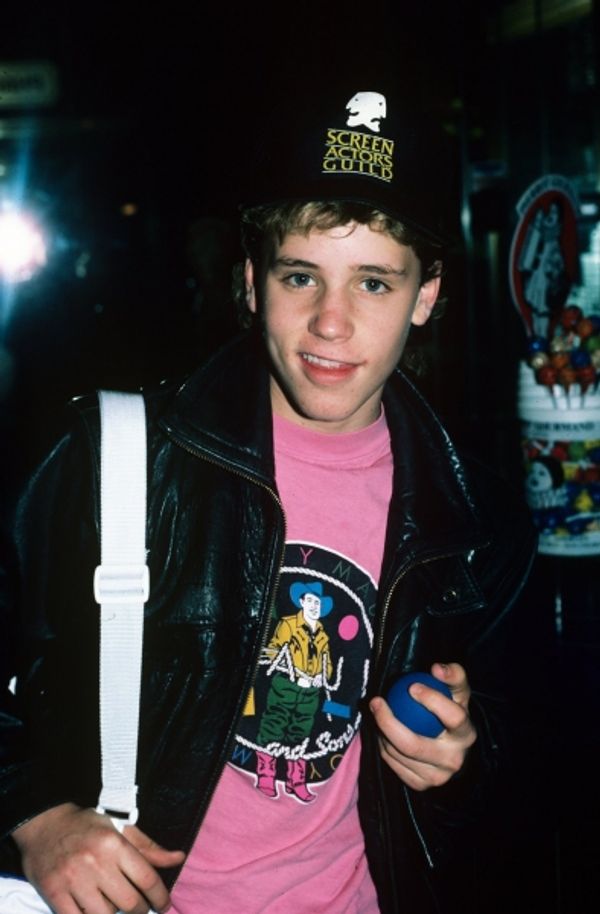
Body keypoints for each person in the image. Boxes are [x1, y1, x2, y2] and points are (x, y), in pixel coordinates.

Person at [0, 80, 536, 914]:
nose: (330, 322)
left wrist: (466, 748)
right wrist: (33, 814)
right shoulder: (118, 461)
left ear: (426, 296)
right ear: (251, 282)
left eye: (374, 283)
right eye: (301, 276)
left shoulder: (476, 520)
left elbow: (515, 743)